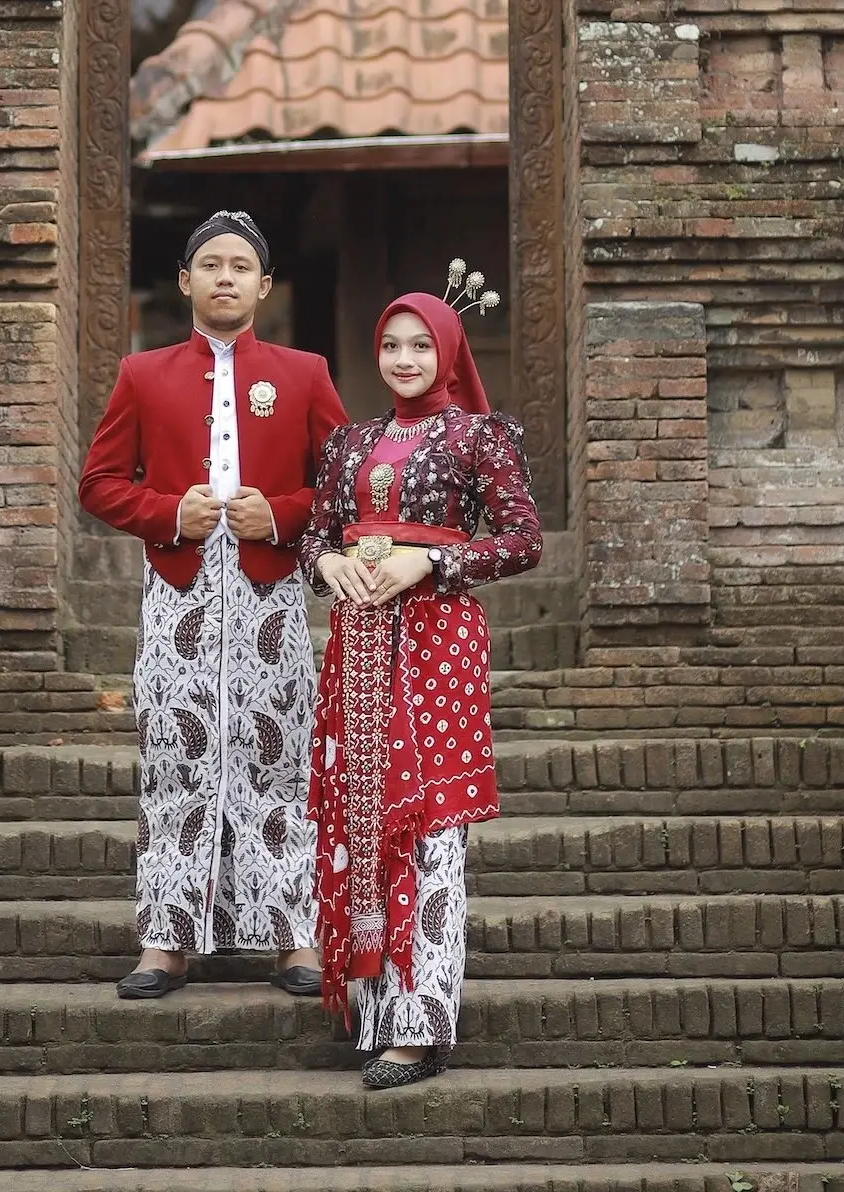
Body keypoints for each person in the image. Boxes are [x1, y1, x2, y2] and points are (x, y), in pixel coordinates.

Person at [80, 211, 349, 1000]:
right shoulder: (143, 375)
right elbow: (99, 484)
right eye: (210, 264)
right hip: (178, 596)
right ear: (185, 281)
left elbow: (345, 484)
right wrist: (167, 513)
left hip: (270, 597)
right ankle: (166, 940)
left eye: (240, 266)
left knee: (280, 759)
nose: (224, 276)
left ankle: (294, 937)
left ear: (264, 286)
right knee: (174, 757)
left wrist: (284, 514)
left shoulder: (304, 372)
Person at [299, 262, 543, 1088]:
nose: (404, 360)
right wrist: (328, 563)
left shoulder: (480, 437)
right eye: (391, 346)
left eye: (421, 346)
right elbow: (315, 533)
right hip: (360, 640)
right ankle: (378, 1018)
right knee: (365, 820)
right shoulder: (349, 443)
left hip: (438, 639)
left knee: (430, 823)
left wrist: (429, 562)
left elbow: (521, 540)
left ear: (448, 352)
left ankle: (422, 1025)